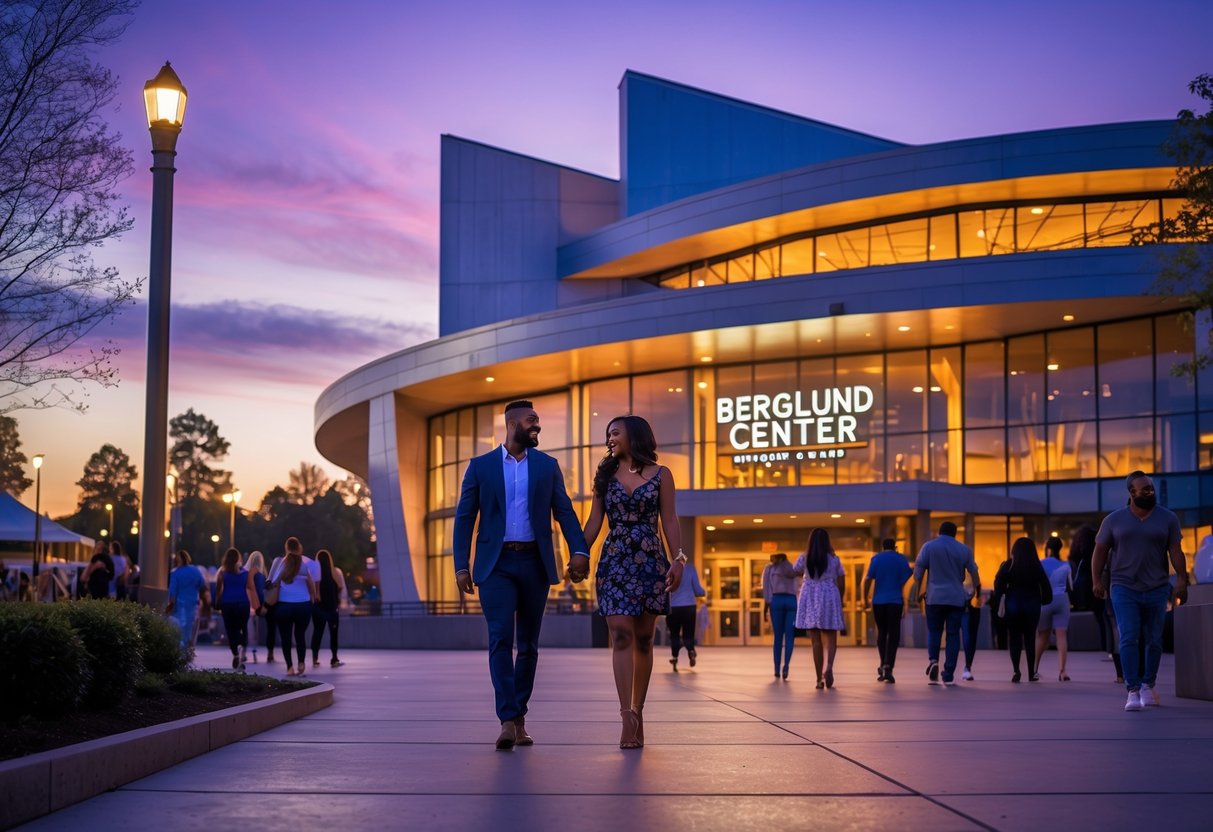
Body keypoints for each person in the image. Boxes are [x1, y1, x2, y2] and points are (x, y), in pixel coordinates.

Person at [453, 400, 590, 751]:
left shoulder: (547, 466)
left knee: (528, 645)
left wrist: (580, 549)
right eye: (532, 421)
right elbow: (465, 518)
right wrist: (461, 564)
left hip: (534, 564)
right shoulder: (480, 467)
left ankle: (519, 718)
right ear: (512, 423)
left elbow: (564, 512)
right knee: (500, 639)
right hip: (495, 565)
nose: (537, 426)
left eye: (538, 421)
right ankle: (507, 719)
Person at [583, 414, 683, 749]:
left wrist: (679, 560)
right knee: (621, 635)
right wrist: (579, 554)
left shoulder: (662, 475)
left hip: (650, 561)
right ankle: (626, 715)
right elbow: (595, 520)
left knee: (643, 639)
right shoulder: (605, 475)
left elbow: (668, 519)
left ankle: (639, 710)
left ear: (634, 435)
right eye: (608, 434)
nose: (609, 438)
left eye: (615, 433)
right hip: (614, 561)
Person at [1092, 471, 1189, 712]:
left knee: (1154, 639)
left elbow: (1175, 551)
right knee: (1129, 637)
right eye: (1144, 490)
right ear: (1131, 493)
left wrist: (1182, 580)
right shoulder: (1114, 520)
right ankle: (1132, 690)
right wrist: (1096, 580)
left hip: (1157, 587)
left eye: (1151, 488)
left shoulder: (1168, 518)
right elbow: (1100, 551)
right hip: (1124, 587)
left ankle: (1148, 684)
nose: (1150, 493)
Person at [910, 521, 980, 687]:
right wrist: (974, 590)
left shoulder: (928, 547)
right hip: (956, 598)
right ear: (955, 533)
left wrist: (918, 592)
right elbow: (974, 572)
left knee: (934, 631)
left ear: (939, 532)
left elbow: (918, 573)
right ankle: (948, 674)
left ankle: (934, 660)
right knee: (953, 634)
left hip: (934, 597)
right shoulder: (964, 549)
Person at [790, 528, 845, 690]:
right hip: (829, 594)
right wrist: (839, 598)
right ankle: (829, 666)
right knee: (831, 637)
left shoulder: (804, 558)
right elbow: (842, 581)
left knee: (815, 641)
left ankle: (818, 679)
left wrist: (807, 576)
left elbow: (795, 571)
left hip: (811, 595)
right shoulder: (834, 559)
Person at [993, 537, 1052, 682]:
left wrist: (1002, 593)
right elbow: (1045, 585)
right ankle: (1031, 673)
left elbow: (998, 582)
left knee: (1014, 638)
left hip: (1013, 604)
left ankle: (1016, 670)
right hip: (1032, 605)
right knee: (1030, 638)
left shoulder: (1009, 564)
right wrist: (1045, 600)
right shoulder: (1035, 565)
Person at [863, 538, 912, 684]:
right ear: (895, 547)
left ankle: (882, 663)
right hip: (895, 601)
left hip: (879, 601)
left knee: (882, 632)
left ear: (883, 547)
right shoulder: (901, 559)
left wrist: (866, 598)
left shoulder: (876, 559)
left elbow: (868, 579)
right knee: (894, 634)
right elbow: (907, 577)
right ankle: (888, 665)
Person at [268, 537, 317, 677]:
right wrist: (313, 598)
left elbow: (274, 582)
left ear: (287, 548)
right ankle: (301, 663)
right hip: (303, 605)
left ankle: (290, 667)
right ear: (299, 547)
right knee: (300, 635)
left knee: (286, 637)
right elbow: (311, 583)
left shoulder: (282, 563)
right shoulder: (304, 564)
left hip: (284, 605)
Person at [1036, 536, 1073, 681]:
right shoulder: (1066, 565)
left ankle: (1034, 669)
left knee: (1042, 636)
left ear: (1048, 549)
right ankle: (1063, 671)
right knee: (1061, 636)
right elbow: (1071, 586)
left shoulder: (1040, 564)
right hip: (1062, 600)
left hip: (1045, 601)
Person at [216, 548, 259, 669]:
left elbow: (218, 590)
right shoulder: (245, 573)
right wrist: (256, 604)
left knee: (231, 629)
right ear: (238, 559)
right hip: (243, 603)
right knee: (243, 627)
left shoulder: (222, 573)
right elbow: (251, 588)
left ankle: (235, 653)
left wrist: (217, 603)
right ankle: (242, 645)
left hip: (227, 603)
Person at [763, 552, 800, 680]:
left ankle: (776, 668)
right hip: (791, 601)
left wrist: (767, 605)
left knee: (778, 637)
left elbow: (766, 588)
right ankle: (786, 667)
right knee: (790, 637)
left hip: (777, 600)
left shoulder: (769, 569)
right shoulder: (792, 568)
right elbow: (798, 587)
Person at [166, 550, 209, 653]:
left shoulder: (175, 573)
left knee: (179, 628)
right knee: (190, 629)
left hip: (179, 605)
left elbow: (172, 591)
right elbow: (202, 585)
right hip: (193, 604)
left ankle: (181, 652)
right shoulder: (195, 571)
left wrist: (170, 605)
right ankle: (188, 650)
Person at [667, 555, 705, 672]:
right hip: (689, 606)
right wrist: (702, 593)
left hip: (673, 607)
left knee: (674, 634)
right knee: (688, 632)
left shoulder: (669, 569)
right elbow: (698, 589)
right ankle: (691, 650)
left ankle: (674, 658)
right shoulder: (690, 569)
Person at [311, 549, 346, 668]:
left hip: (319, 609)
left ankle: (315, 658)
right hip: (332, 608)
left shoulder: (315, 575)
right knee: (334, 634)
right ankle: (334, 658)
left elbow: (313, 592)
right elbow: (341, 587)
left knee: (317, 633)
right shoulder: (336, 573)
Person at [959, 572, 983, 681]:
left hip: (956, 601)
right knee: (969, 635)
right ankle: (967, 667)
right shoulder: (970, 564)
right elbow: (976, 583)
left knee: (954, 634)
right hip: (968, 603)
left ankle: (948, 669)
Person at [245, 550, 267, 663]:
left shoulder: (245, 572)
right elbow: (261, 591)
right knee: (253, 630)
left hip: (246, 603)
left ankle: (243, 651)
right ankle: (253, 652)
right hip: (257, 604)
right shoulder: (261, 575)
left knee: (246, 628)